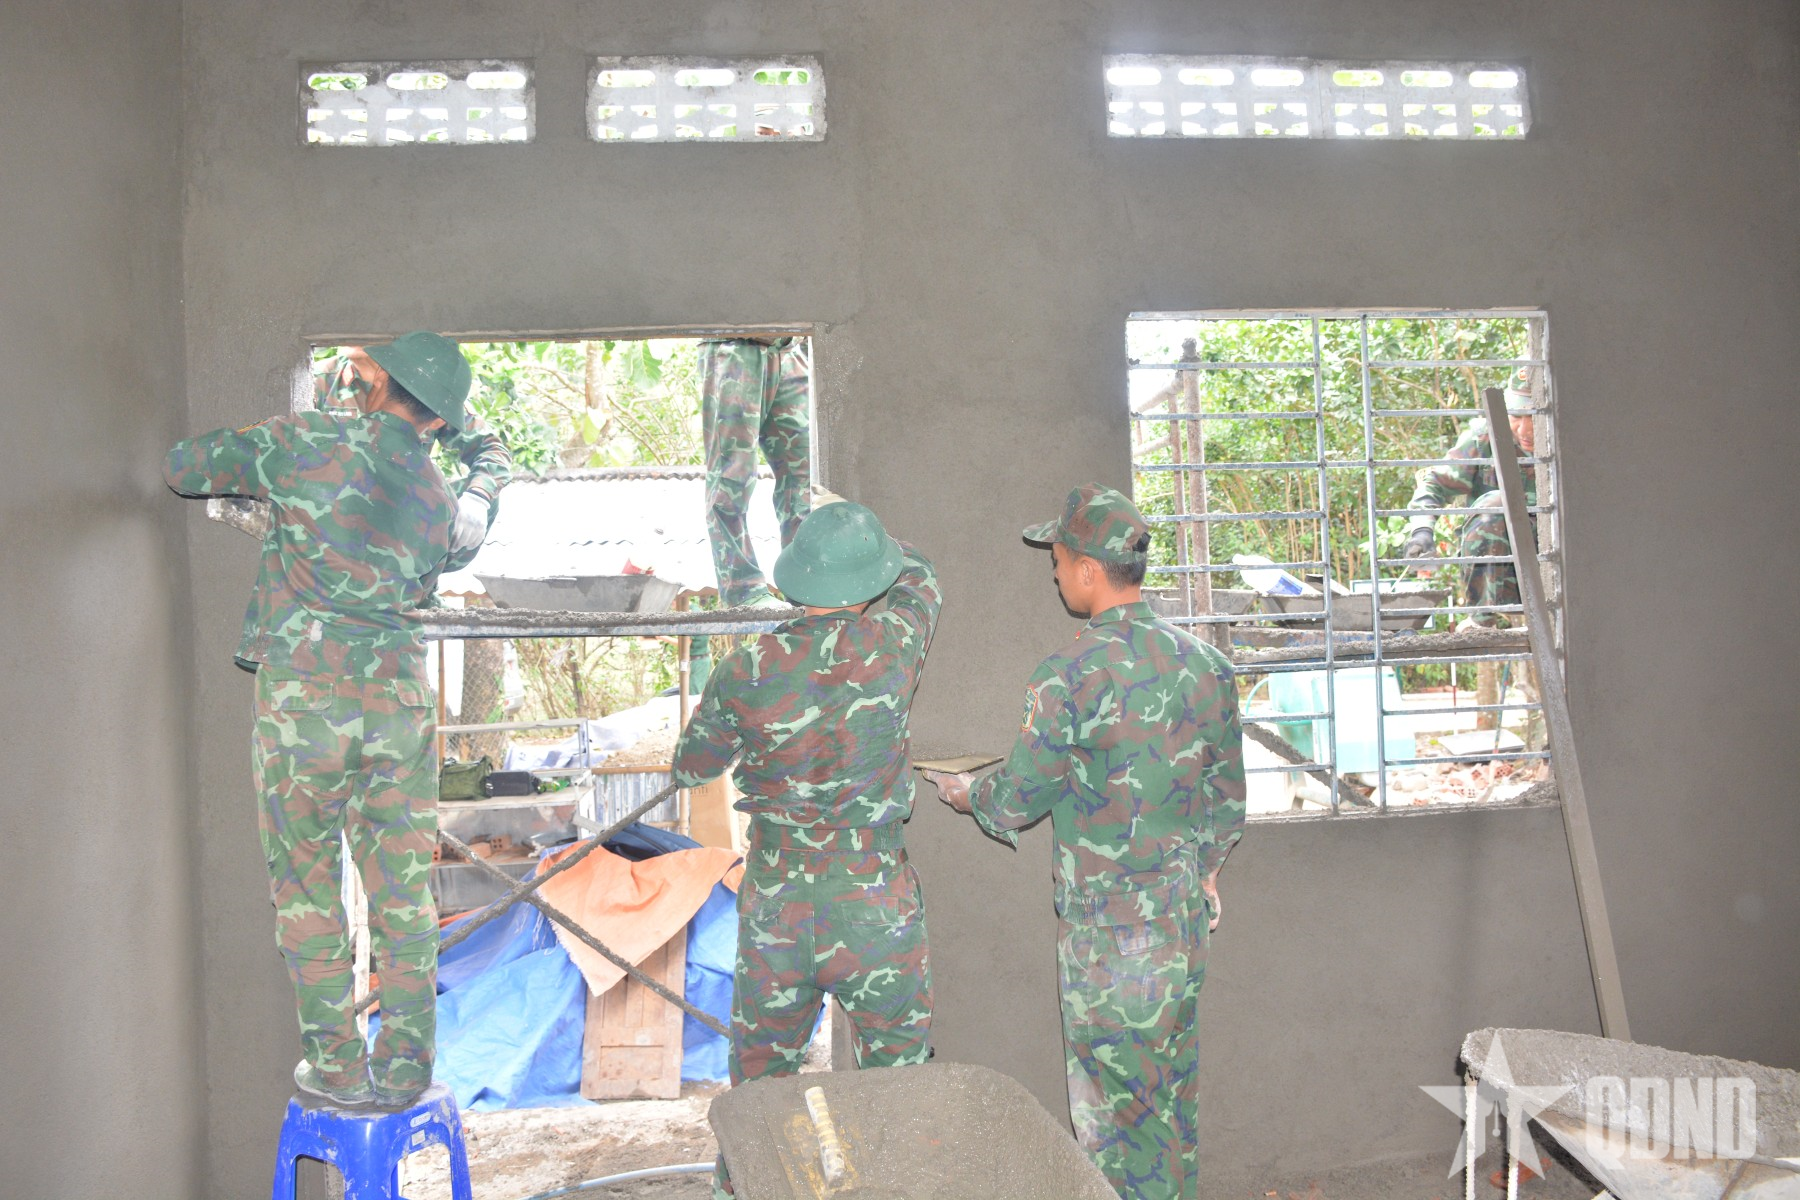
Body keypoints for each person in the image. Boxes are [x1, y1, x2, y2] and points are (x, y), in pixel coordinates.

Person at [164, 331, 478, 1109]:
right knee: (403, 896)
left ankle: (337, 1069)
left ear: (378, 383)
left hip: (307, 703)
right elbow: (445, 550)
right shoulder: (438, 495)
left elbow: (185, 467)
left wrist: (328, 410)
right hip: (399, 706)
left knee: (307, 890)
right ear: (440, 420)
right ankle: (405, 1070)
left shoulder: (305, 441)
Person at [926, 483, 1245, 1200]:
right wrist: (1207, 875)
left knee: (1114, 1122)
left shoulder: (1068, 674)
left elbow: (1017, 799)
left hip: (1111, 937)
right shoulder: (1208, 666)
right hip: (1181, 923)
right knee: (1169, 1104)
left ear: (1090, 570)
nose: (1055, 574)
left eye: (1059, 561)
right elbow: (1227, 803)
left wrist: (967, 792)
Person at [671, 500, 941, 1196]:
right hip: (875, 904)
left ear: (795, 579)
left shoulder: (745, 667)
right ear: (870, 581)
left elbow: (692, 768)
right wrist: (881, 541)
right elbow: (922, 577)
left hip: (778, 909)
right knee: (900, 1093)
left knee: (760, 1097)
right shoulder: (894, 644)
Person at [315, 344, 514, 563]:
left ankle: (418, 576)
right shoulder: (320, 380)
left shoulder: (425, 383)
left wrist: (478, 498)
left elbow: (491, 448)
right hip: (335, 506)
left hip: (398, 509)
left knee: (482, 496)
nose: (353, 335)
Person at [1402, 367, 1540, 629]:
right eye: (1516, 416)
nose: (1525, 429)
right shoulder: (1485, 438)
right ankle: (1484, 622)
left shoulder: (1574, 441)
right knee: (1495, 505)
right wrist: (1421, 532)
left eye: (1533, 416)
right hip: (1505, 569)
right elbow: (1434, 483)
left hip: (1563, 564)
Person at [698, 336, 812, 606]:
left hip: (789, 347)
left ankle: (807, 591)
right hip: (735, 344)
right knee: (732, 478)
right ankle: (743, 592)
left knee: (804, 484)